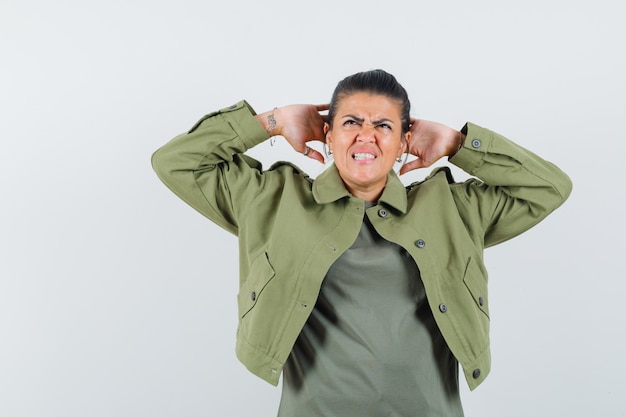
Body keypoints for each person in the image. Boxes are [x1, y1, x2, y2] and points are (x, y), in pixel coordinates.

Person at [151, 69, 572, 416]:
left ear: (405, 141)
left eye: (383, 125)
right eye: (352, 122)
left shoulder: (453, 208)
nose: (366, 136)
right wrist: (271, 122)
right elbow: (175, 162)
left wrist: (460, 145)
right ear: (328, 134)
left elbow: (549, 188)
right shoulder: (271, 199)